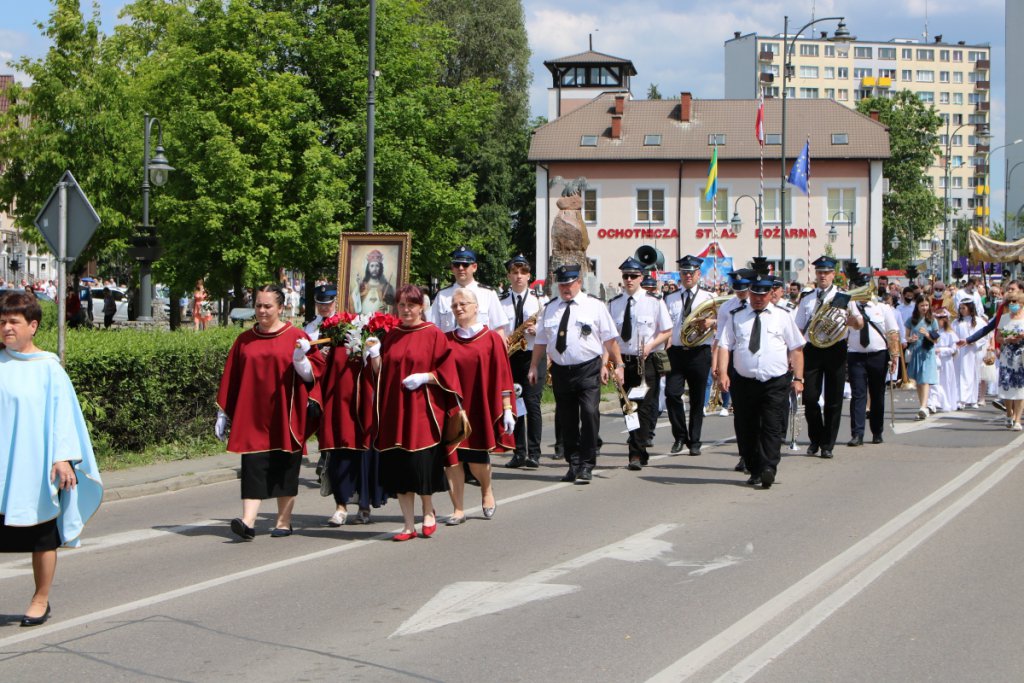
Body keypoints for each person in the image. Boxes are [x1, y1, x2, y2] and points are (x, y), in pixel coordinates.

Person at [0, 291, 104, 627]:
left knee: (41, 535)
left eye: (13, 322)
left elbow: (63, 416)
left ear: (33, 325)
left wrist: (62, 459)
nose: (6, 328)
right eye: (2, 322)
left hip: (35, 468)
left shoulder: (48, 368)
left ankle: (40, 599)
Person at [216, 284, 325, 540]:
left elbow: (313, 376)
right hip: (252, 415)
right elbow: (232, 377)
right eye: (258, 306)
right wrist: (223, 413)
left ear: (281, 307)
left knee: (285, 466)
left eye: (268, 306)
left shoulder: (296, 336)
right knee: (253, 466)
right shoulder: (244, 340)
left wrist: (301, 358)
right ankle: (248, 521)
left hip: (286, 414)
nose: (262, 311)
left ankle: (284, 521)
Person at [366, 284, 462, 541]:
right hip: (395, 410)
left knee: (420, 464)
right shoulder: (392, 335)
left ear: (421, 307)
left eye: (411, 305)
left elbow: (448, 371)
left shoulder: (433, 334)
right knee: (399, 468)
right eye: (402, 305)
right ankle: (408, 525)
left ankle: (427, 511)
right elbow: (380, 374)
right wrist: (375, 355)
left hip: (422, 410)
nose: (406, 310)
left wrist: (426, 377)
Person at [529, 264, 624, 484]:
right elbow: (541, 340)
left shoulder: (594, 306)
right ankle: (573, 463)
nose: (565, 288)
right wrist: (534, 365)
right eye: (561, 284)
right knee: (567, 418)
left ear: (579, 283)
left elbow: (609, 338)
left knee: (589, 413)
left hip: (588, 368)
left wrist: (618, 364)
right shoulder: (550, 308)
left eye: (569, 284)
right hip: (562, 370)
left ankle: (587, 463)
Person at [717, 277, 805, 489]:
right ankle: (754, 468)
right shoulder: (737, 317)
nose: (758, 299)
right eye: (754, 294)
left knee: (771, 426)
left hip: (775, 381)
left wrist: (799, 378)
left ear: (770, 294)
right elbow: (724, 346)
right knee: (746, 427)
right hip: (744, 381)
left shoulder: (782, 316)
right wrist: (722, 374)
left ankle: (768, 467)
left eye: (762, 295)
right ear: (749, 294)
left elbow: (796, 348)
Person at [444, 288, 516, 523]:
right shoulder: (446, 340)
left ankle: (486, 489)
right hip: (454, 408)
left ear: (476, 307)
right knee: (453, 458)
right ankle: (458, 509)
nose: (459, 308)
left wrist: (506, 408)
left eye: (463, 303)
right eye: (455, 305)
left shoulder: (491, 339)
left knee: (476, 460)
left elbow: (503, 375)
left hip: (480, 406)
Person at [316, 302, 384, 528]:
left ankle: (364, 505)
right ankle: (341, 505)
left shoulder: (375, 333)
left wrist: (374, 353)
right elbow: (319, 368)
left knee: (364, 455)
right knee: (340, 456)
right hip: (339, 404)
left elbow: (381, 371)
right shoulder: (331, 335)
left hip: (365, 403)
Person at [794, 256, 864, 459]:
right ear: (816, 274)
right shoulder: (807, 298)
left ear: (833, 274)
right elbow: (799, 328)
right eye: (820, 272)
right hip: (812, 349)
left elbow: (859, 322)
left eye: (826, 272)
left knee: (834, 399)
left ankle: (828, 444)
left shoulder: (843, 297)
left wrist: (853, 322)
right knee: (809, 398)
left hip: (835, 348)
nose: (823, 276)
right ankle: (816, 437)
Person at [607, 257, 672, 469]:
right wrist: (609, 364)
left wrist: (651, 345)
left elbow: (667, 331)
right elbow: (608, 337)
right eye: (625, 276)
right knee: (628, 407)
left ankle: (635, 452)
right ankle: (639, 449)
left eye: (633, 276)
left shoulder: (654, 302)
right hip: (623, 362)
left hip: (646, 360)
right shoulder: (614, 304)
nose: (629, 280)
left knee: (644, 408)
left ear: (641, 278)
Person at [664, 255, 717, 456]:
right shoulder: (670, 298)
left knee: (696, 399)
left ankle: (694, 440)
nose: (687, 276)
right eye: (684, 272)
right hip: (676, 352)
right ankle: (679, 436)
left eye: (691, 273)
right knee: (671, 394)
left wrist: (710, 323)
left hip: (699, 352)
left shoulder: (708, 297)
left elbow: (723, 320)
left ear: (698, 274)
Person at [500, 254, 545, 469]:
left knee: (532, 403)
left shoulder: (540, 301)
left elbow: (550, 329)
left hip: (533, 355)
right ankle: (519, 452)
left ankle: (534, 452)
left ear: (529, 276)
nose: (519, 276)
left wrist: (539, 330)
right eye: (515, 272)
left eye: (523, 273)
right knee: (515, 404)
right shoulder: (501, 302)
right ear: (509, 275)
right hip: (511, 356)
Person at [846, 277, 900, 445]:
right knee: (858, 394)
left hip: (878, 355)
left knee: (877, 394)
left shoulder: (882, 308)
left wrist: (894, 356)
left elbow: (892, 332)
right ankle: (857, 433)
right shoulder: (849, 306)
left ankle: (877, 431)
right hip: (856, 355)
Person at [428, 246, 509, 338]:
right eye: (457, 265)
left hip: (480, 349)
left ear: (474, 267)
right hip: (450, 349)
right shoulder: (442, 296)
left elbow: (498, 330)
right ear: (452, 268)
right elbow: (432, 330)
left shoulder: (488, 294)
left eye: (465, 265)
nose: (461, 268)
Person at [905, 294, 939, 420]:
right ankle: (922, 406)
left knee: (925, 380)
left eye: (926, 305)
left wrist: (927, 334)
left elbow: (936, 339)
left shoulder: (932, 320)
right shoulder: (911, 320)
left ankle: (924, 406)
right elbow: (906, 337)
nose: (924, 308)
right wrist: (910, 339)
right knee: (918, 381)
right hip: (916, 352)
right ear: (917, 306)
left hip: (927, 352)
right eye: (922, 305)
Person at [996, 291, 1024, 430]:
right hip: (1007, 357)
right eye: (1010, 302)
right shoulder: (1005, 318)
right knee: (1007, 387)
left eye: (1015, 302)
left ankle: (1018, 420)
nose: (1012, 305)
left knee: (1020, 389)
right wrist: (1006, 339)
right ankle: (1009, 413)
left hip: (1021, 358)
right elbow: (998, 337)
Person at [954, 301, 986, 408]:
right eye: (961, 308)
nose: (962, 310)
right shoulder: (957, 322)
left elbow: (985, 336)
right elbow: (952, 335)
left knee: (974, 373)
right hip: (961, 351)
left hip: (973, 350)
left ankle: (973, 399)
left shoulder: (979, 321)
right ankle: (961, 399)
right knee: (961, 374)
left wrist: (974, 342)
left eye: (964, 308)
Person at [931, 310, 960, 413]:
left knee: (946, 381)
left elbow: (953, 349)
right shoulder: (935, 332)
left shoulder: (950, 333)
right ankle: (936, 402)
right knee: (936, 381)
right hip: (936, 359)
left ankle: (948, 403)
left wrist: (941, 351)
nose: (937, 321)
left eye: (939, 319)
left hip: (946, 360)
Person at [352, 249, 396, 315]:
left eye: (377, 266)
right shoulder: (362, 286)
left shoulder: (386, 287)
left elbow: (392, 305)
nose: (374, 269)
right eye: (372, 266)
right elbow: (354, 302)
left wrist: (386, 307)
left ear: (380, 268)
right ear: (368, 268)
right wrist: (357, 287)